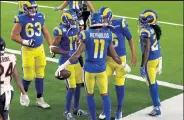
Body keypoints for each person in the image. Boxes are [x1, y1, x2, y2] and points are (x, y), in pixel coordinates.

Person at [55, 13, 131, 120]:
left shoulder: (86, 34)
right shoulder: (108, 34)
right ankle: (108, 118)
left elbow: (77, 54)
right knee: (105, 95)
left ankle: (93, 118)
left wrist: (62, 66)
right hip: (101, 70)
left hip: (89, 70)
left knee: (90, 95)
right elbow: (115, 56)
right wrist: (124, 64)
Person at [11, 1, 53, 109]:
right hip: (27, 50)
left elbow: (46, 32)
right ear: (25, 9)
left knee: (40, 75)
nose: (33, 10)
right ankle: (24, 93)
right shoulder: (21, 19)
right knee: (28, 76)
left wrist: (51, 46)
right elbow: (13, 35)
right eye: (31, 8)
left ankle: (40, 99)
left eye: (34, 8)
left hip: (40, 49)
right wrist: (25, 42)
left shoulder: (40, 16)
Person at [98, 7, 137, 120]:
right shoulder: (100, 27)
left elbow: (129, 38)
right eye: (101, 18)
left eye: (104, 18)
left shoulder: (120, 23)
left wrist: (133, 54)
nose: (102, 20)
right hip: (108, 60)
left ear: (109, 17)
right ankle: (107, 109)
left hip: (121, 60)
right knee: (102, 81)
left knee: (119, 85)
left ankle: (119, 110)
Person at [51, 9, 88, 120]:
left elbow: (77, 40)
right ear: (65, 20)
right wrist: (66, 52)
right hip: (65, 62)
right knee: (71, 87)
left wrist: (79, 42)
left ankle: (76, 109)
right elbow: (52, 48)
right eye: (72, 20)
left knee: (78, 86)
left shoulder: (76, 28)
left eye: (75, 20)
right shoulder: (60, 30)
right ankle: (67, 111)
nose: (74, 22)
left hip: (75, 61)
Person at [54, 0, 95, 68]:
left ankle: (59, 49)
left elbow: (63, 6)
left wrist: (58, 8)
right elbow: (92, 10)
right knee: (79, 40)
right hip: (79, 21)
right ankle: (79, 60)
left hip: (72, 20)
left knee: (70, 37)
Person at [138, 9, 162, 116]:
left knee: (151, 83)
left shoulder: (145, 31)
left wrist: (143, 65)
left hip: (150, 61)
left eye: (143, 19)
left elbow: (146, 49)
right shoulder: (154, 28)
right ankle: (157, 101)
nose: (140, 20)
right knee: (153, 81)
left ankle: (156, 107)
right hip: (157, 57)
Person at [0, 37, 29, 120]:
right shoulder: (11, 58)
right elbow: (16, 77)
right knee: (4, 115)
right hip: (9, 91)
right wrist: (24, 93)